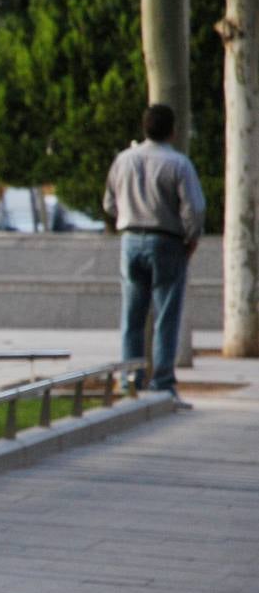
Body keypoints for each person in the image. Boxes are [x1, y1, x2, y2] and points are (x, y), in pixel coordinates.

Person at [102, 104, 206, 408]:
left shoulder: (124, 160)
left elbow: (109, 203)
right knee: (165, 315)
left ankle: (129, 382)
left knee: (132, 315)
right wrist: (191, 237)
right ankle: (162, 384)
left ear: (144, 128)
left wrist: (129, 215)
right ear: (173, 130)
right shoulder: (179, 163)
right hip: (167, 241)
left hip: (131, 240)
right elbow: (195, 208)